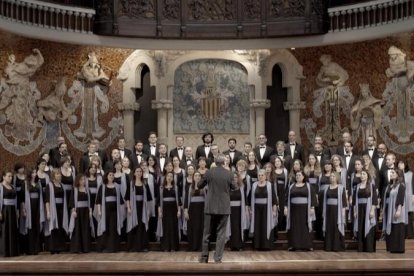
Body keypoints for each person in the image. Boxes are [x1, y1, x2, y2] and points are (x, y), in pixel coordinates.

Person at [198, 154, 235, 263]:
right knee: (221, 234)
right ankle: (217, 258)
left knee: (207, 233)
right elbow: (235, 187)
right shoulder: (229, 173)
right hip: (224, 207)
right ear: (224, 162)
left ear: (214, 162)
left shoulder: (209, 172)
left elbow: (200, 185)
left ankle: (204, 258)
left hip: (210, 206)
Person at [285, 170, 316, 251]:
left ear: (303, 177)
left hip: (305, 210)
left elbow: (313, 197)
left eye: (300, 175)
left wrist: (312, 207)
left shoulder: (308, 186)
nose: (298, 176)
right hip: (294, 210)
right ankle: (293, 245)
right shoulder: (291, 186)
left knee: (305, 226)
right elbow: (286, 198)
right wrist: (286, 208)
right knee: (294, 227)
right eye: (297, 175)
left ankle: (307, 245)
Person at [94, 171, 125, 253]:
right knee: (106, 228)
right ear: (106, 176)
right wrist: (99, 211)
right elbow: (98, 201)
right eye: (110, 175)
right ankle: (105, 247)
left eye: (112, 175)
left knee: (113, 228)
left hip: (115, 211)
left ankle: (114, 247)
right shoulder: (102, 187)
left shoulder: (117, 186)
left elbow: (121, 200)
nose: (111, 176)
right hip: (105, 211)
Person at [248, 169, 277, 251]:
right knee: (257, 226)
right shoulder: (254, 185)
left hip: (266, 210)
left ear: (265, 176)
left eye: (262, 175)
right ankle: (257, 245)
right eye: (259, 175)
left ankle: (266, 245)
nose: (260, 177)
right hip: (256, 209)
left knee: (265, 226)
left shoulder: (269, 185)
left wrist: (274, 210)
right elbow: (250, 198)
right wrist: (250, 209)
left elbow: (274, 199)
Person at [126, 167, 152, 252]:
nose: (139, 173)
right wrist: (129, 208)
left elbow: (148, 198)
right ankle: (133, 247)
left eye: (140, 171)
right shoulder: (131, 183)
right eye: (137, 171)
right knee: (134, 225)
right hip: (133, 207)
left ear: (142, 173)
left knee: (142, 225)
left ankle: (143, 246)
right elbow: (127, 198)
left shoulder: (145, 183)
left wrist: (148, 210)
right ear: (134, 173)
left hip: (142, 207)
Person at [20, 168, 45, 255]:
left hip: (38, 206)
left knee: (37, 226)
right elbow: (22, 198)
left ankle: (36, 249)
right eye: (33, 172)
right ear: (30, 173)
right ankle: (30, 249)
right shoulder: (25, 184)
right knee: (30, 227)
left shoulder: (38, 183)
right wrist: (23, 209)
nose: (35, 174)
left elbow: (42, 196)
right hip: (29, 207)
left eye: (35, 172)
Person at [44, 169, 69, 254]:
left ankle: (60, 247)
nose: (59, 175)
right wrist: (48, 212)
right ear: (53, 175)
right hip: (53, 209)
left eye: (60, 174)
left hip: (62, 208)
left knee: (60, 228)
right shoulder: (49, 185)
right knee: (54, 228)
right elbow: (47, 200)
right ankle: (53, 248)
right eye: (57, 174)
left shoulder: (62, 185)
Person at [382, 169, 407, 253]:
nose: (391, 174)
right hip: (388, 209)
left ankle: (398, 248)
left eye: (393, 173)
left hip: (395, 208)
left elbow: (400, 198)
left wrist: (399, 210)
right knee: (391, 228)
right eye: (391, 173)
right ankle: (391, 247)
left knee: (397, 228)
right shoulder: (389, 186)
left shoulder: (401, 185)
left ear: (398, 175)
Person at [353, 170, 377, 252]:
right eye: (361, 174)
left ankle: (368, 247)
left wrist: (372, 210)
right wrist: (355, 211)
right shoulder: (357, 186)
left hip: (368, 208)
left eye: (364, 174)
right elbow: (354, 201)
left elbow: (374, 199)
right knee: (360, 227)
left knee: (368, 226)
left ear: (367, 176)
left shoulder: (371, 186)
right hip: (359, 208)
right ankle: (361, 247)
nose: (362, 175)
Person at [68, 174, 94, 253]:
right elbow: (72, 201)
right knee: (77, 229)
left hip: (86, 212)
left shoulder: (87, 190)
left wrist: (90, 211)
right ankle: (77, 248)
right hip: (78, 211)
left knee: (85, 229)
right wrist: (73, 211)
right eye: (81, 180)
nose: (83, 181)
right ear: (78, 181)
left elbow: (90, 203)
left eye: (84, 179)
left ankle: (85, 248)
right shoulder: (74, 189)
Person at [157, 171, 181, 252]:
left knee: (173, 228)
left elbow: (179, 201)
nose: (169, 177)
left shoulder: (176, 188)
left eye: (171, 176)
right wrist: (159, 212)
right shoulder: (161, 188)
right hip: (165, 211)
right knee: (165, 228)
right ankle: (165, 247)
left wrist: (179, 211)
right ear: (165, 178)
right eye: (168, 176)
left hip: (174, 210)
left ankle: (174, 247)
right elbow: (159, 202)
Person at [322, 173, 347, 251]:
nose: (331, 178)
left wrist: (343, 212)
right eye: (331, 176)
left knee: (336, 227)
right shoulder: (326, 188)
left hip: (337, 210)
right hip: (329, 210)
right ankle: (328, 246)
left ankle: (337, 246)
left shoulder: (341, 188)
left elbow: (344, 201)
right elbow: (324, 201)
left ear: (337, 178)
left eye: (333, 176)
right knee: (329, 227)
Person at [226, 172, 249, 251]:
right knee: (231, 227)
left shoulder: (242, 187)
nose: (234, 179)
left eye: (236, 177)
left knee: (239, 227)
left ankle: (239, 245)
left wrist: (246, 209)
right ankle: (232, 245)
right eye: (233, 177)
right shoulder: (227, 188)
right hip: (230, 211)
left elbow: (245, 199)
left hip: (239, 210)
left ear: (238, 178)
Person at [183, 171, 205, 251]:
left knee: (201, 228)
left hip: (202, 211)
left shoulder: (204, 187)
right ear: (193, 177)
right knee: (193, 228)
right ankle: (193, 246)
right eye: (196, 175)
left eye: (199, 175)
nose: (197, 177)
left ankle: (201, 247)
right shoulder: (190, 187)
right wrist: (185, 211)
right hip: (192, 210)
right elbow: (186, 200)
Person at [0, 171, 19, 257]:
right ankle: (4, 251)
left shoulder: (12, 187)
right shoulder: (0, 186)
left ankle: (12, 251)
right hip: (4, 210)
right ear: (3, 177)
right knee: (4, 230)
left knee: (12, 230)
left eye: (11, 176)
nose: (10, 178)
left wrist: (17, 211)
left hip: (12, 210)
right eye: (8, 176)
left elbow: (15, 200)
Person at [398, 160, 414, 238]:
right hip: (401, 196)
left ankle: (410, 234)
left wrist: (413, 196)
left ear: (405, 164)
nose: (400, 165)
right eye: (399, 163)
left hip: (409, 196)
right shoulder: (398, 174)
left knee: (409, 215)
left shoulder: (410, 174)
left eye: (401, 163)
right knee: (402, 215)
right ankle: (402, 234)